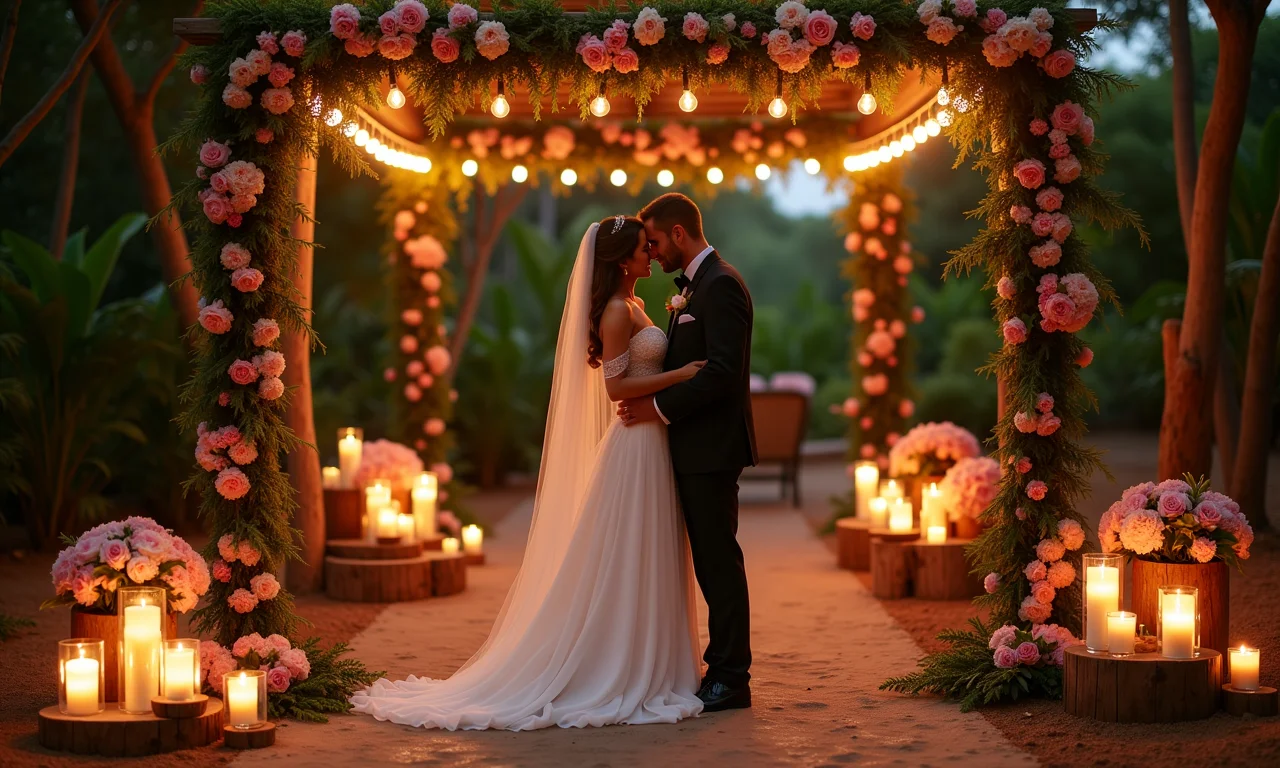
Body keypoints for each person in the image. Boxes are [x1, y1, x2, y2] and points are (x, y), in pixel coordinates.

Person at [350, 214, 707, 730]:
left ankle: (651, 658)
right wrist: (681, 374)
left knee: (648, 548)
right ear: (620, 260)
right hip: (634, 443)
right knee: (628, 550)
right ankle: (615, 664)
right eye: (641, 249)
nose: (650, 254)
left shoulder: (636, 305)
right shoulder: (613, 311)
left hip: (653, 440)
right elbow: (615, 390)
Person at [619, 192, 757, 712]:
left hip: (712, 449)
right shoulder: (696, 287)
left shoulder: (721, 286)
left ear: (679, 234)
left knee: (719, 564)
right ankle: (718, 668)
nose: (651, 253)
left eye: (653, 242)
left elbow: (722, 373)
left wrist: (656, 409)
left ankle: (731, 677)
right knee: (708, 563)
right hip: (692, 446)